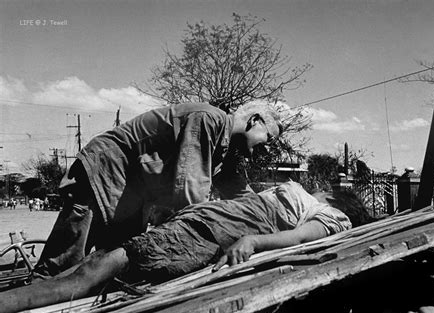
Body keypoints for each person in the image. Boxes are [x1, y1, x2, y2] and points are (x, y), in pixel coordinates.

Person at [0, 181, 352, 313]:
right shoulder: (306, 197)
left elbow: (303, 238)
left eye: (326, 191)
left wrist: (253, 241)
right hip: (209, 219)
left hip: (218, 230)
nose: (320, 190)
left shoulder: (334, 215)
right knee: (94, 265)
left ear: (337, 200)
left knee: (98, 270)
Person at [34, 102, 282, 277]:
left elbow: (240, 193)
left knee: (114, 266)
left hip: (132, 192)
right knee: (63, 262)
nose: (266, 149)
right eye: (267, 139)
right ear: (254, 120)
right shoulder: (209, 119)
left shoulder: (225, 152)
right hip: (106, 171)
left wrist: (274, 215)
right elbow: (190, 189)